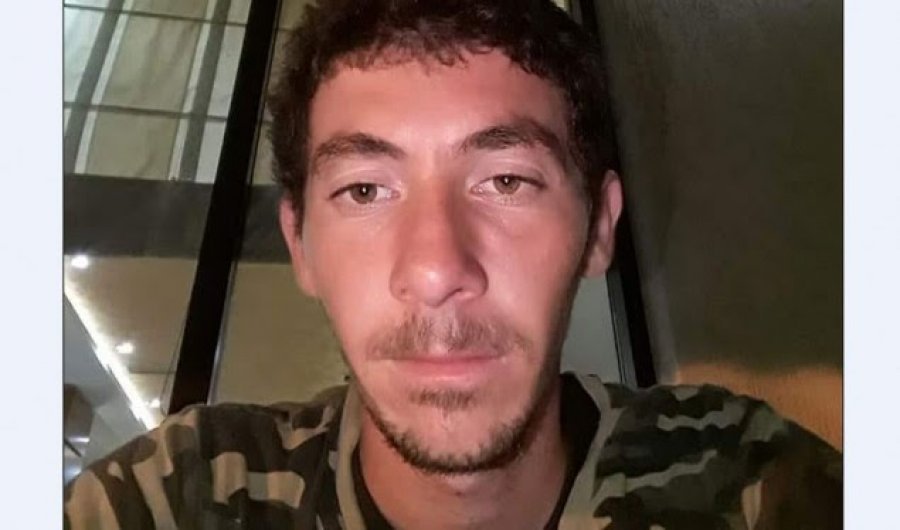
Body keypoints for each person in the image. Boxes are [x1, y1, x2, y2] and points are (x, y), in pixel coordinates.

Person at [64, 1, 842, 528]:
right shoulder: (174, 497)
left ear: (599, 229)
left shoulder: (755, 486)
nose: (437, 270)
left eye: (506, 181)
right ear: (300, 244)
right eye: (365, 190)